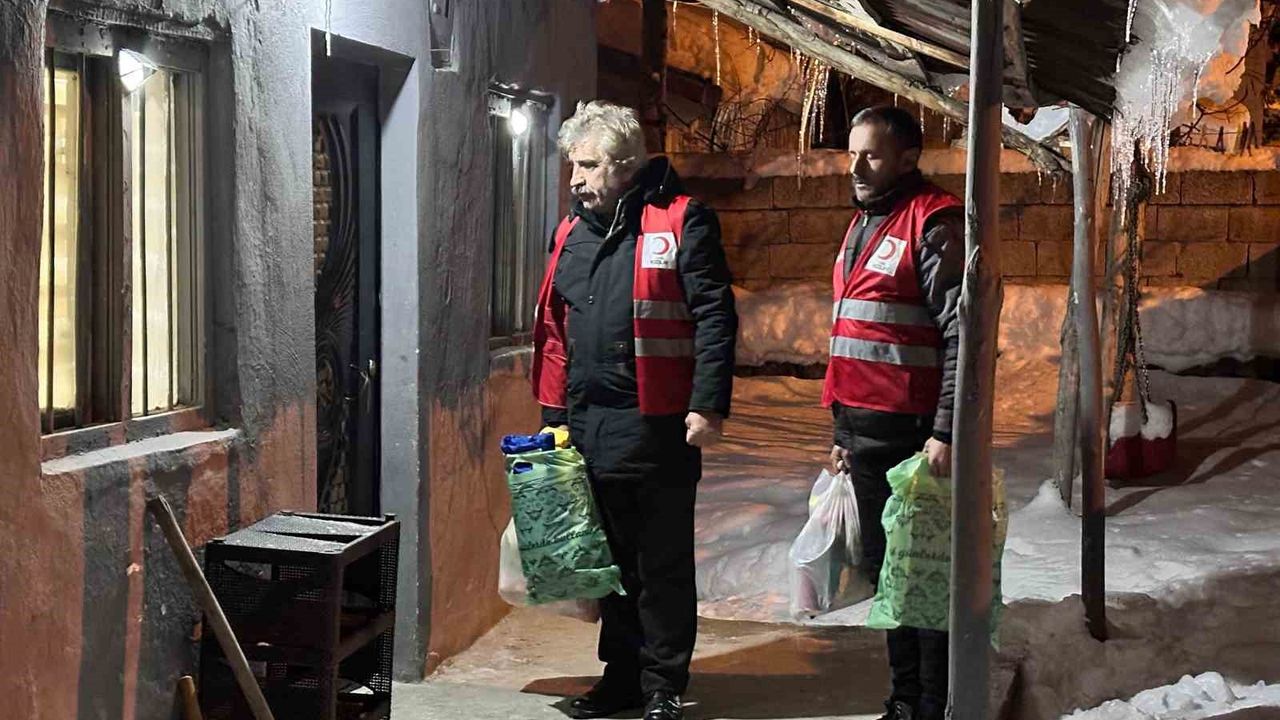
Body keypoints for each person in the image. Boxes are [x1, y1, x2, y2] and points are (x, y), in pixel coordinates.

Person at [531, 100, 738, 720]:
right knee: (609, 562)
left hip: (658, 426)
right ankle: (621, 678)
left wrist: (707, 405)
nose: (575, 179)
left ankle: (662, 686)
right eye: (573, 165)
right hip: (588, 426)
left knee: (660, 564)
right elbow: (556, 330)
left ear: (624, 166)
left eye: (588, 165)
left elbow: (714, 317)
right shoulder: (570, 233)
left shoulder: (681, 220)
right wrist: (553, 417)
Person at [824, 106, 963, 720]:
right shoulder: (864, 223)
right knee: (887, 574)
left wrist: (945, 429)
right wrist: (842, 429)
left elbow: (961, 333)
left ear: (907, 159)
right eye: (851, 153)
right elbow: (853, 335)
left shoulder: (933, 222)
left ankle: (935, 703)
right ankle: (905, 700)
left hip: (915, 437)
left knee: (923, 574)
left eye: (871, 155)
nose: (855, 167)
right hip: (865, 433)